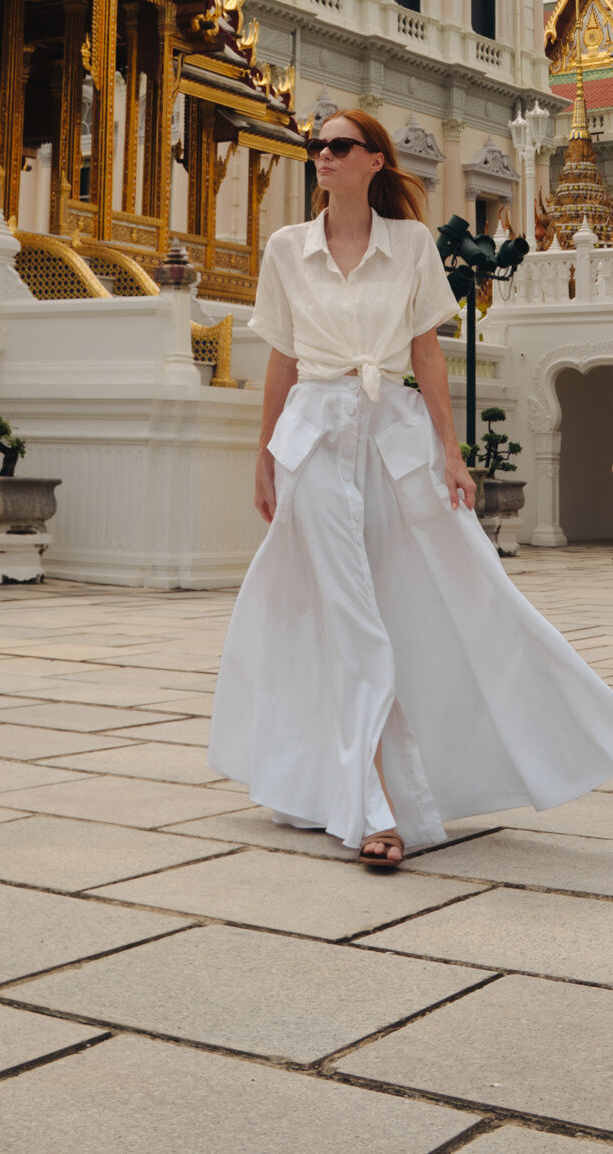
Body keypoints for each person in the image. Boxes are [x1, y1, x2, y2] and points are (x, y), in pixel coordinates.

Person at [209, 108, 613, 869]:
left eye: (339, 145)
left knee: (448, 590)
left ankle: (562, 726)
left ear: (374, 161)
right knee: (347, 611)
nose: (323, 156)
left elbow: (426, 353)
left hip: (392, 436)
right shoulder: (287, 247)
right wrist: (264, 456)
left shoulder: (412, 244)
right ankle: (376, 807)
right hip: (313, 438)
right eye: (317, 146)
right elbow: (282, 360)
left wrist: (451, 453)